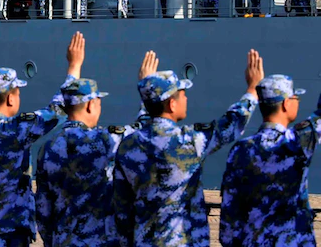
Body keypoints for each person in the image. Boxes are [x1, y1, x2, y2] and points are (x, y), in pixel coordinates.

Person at [0, 32, 85, 247]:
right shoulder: (15, 130)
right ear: (11, 98)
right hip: (10, 235)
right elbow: (57, 110)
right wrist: (74, 66)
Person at [114, 50, 262, 246]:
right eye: (183, 94)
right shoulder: (189, 142)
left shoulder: (127, 146)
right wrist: (252, 89)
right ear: (172, 104)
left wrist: (148, 92)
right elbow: (232, 123)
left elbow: (122, 207)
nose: (186, 99)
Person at [35, 50, 159, 247]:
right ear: (90, 105)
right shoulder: (105, 140)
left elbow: (43, 209)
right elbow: (145, 131)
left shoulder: (47, 149)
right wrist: (147, 85)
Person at [220, 74, 321, 246]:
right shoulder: (297, 142)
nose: (297, 101)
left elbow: (230, 212)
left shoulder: (240, 150)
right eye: (295, 97)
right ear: (286, 103)